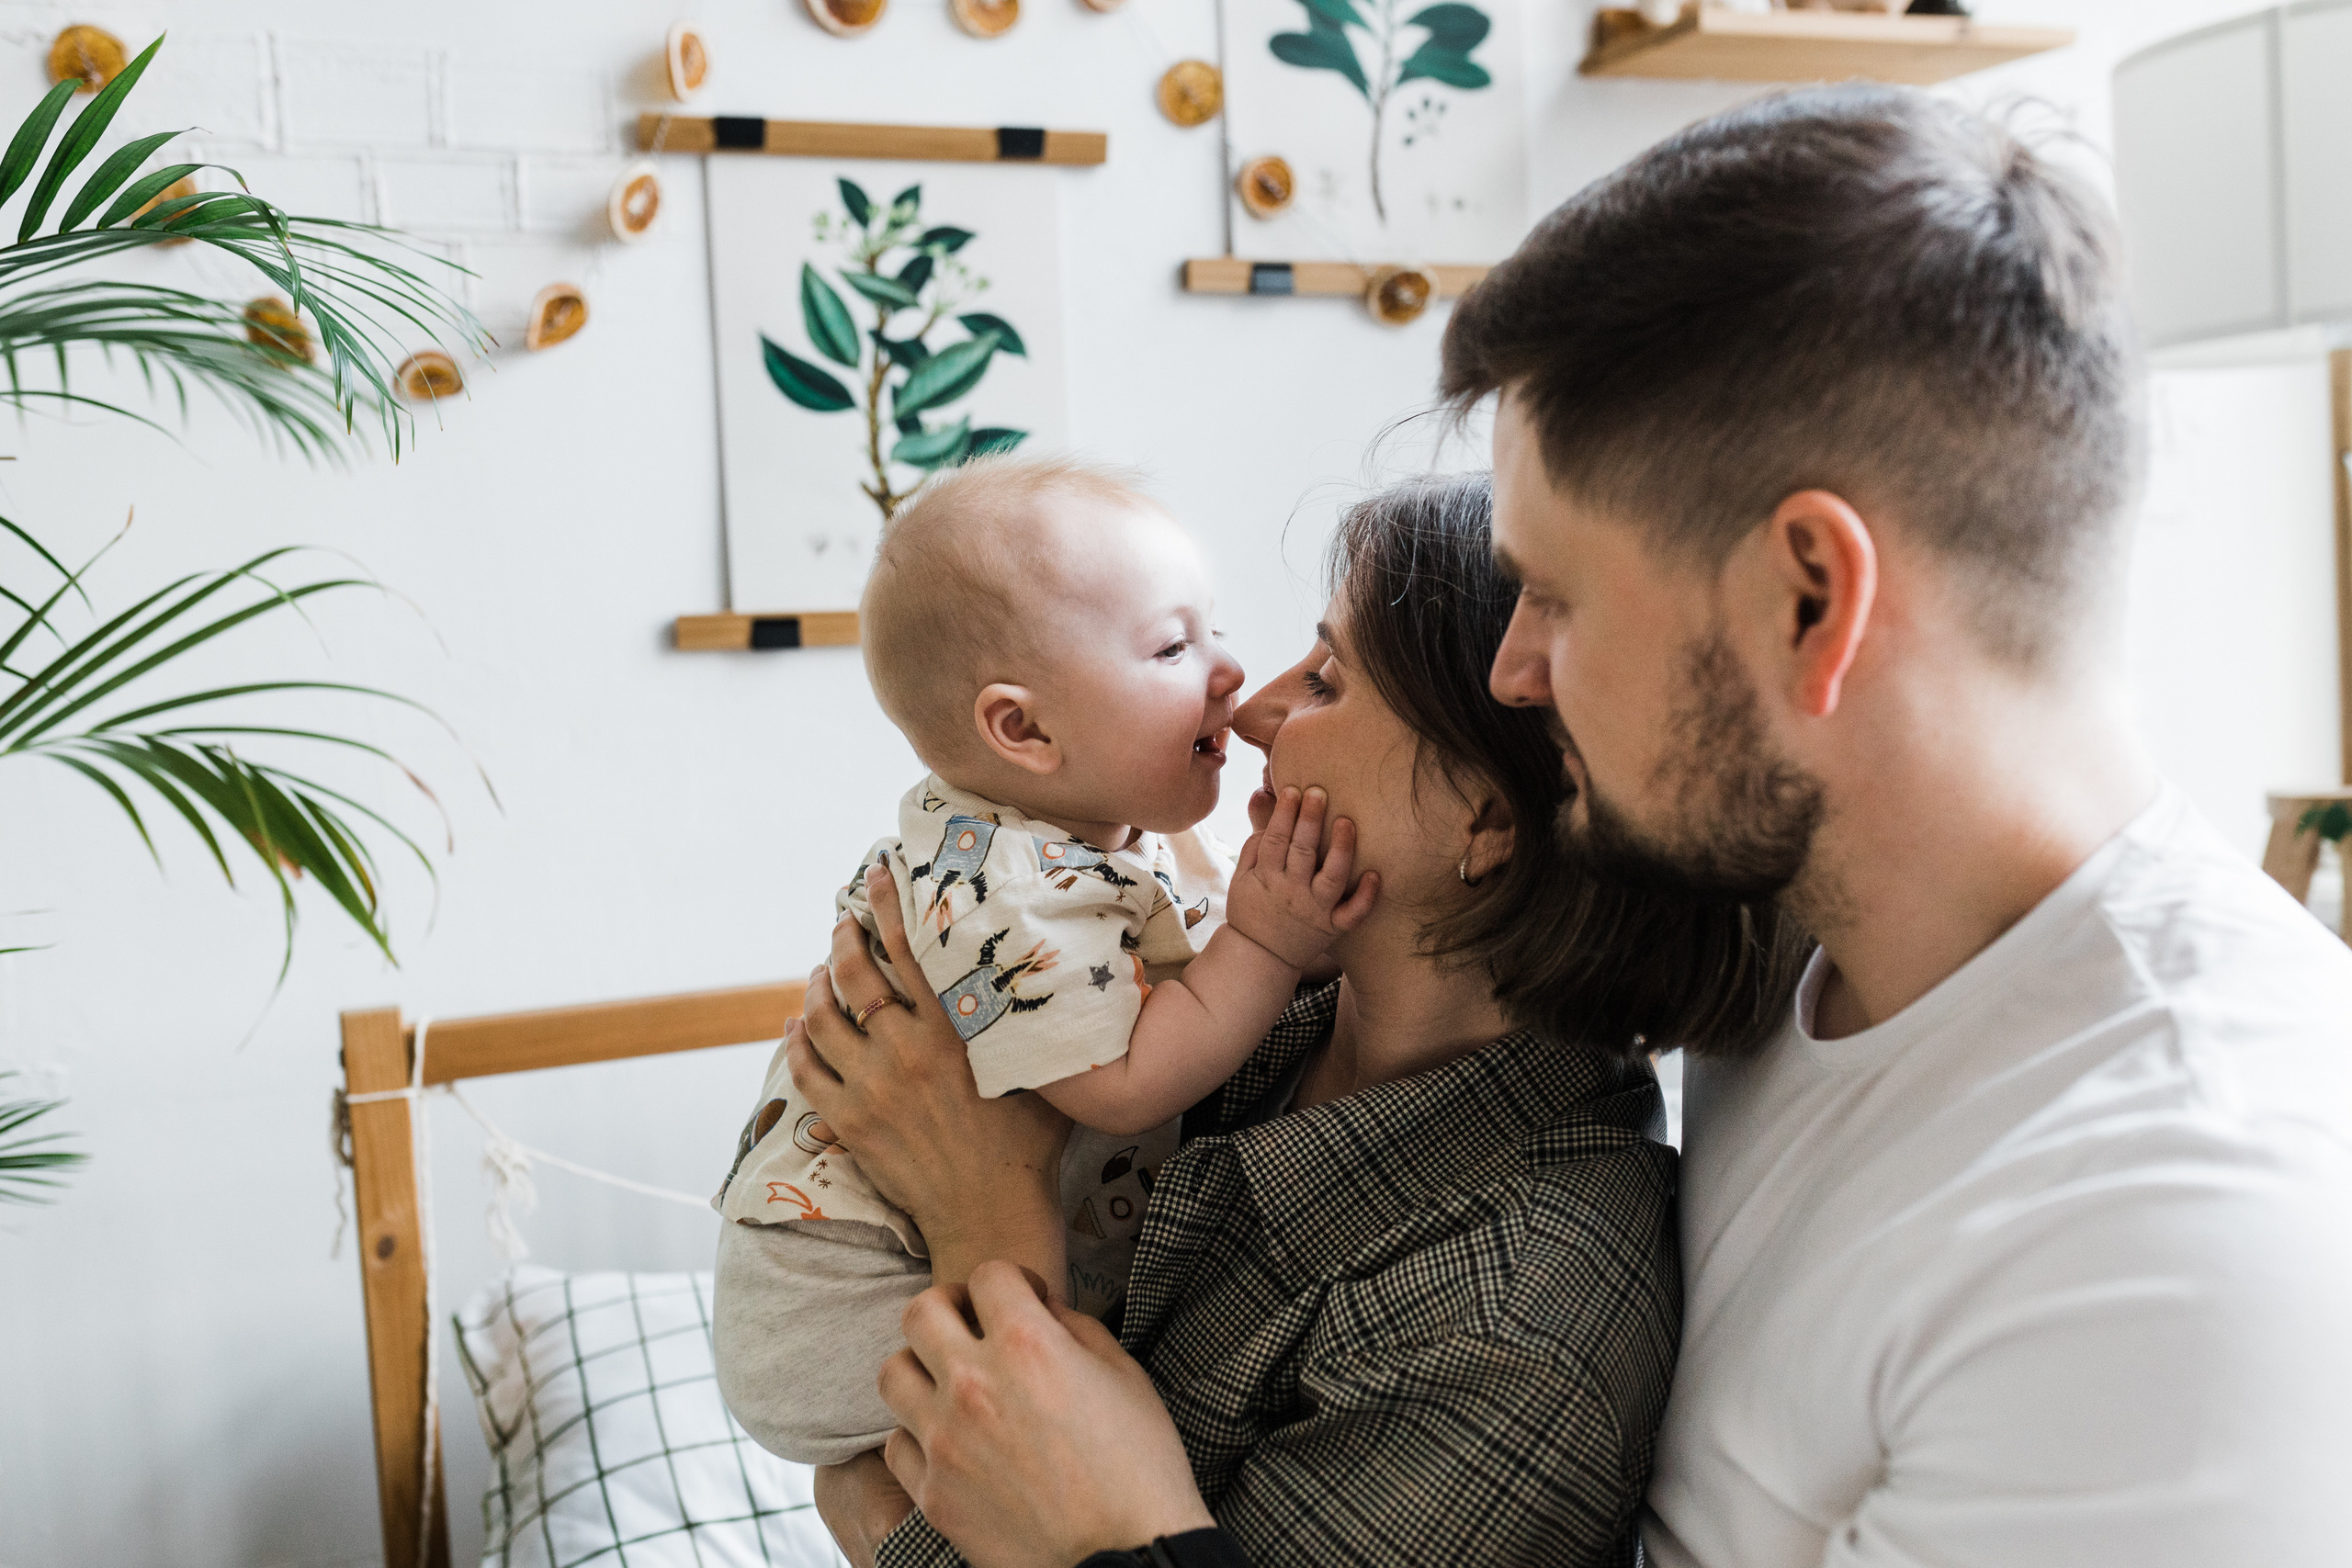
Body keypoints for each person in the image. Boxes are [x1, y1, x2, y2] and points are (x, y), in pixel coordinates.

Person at [830, 83, 2352, 1568]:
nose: (1516, 669)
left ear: (1809, 599)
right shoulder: (1792, 953)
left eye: (1557, 595)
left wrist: (1082, 1504)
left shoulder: (2173, 1246)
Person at [763, 473, 1804, 1565]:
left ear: (1486, 819)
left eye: (1324, 684)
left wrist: (984, 1205)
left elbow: (940, 1508)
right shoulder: (1256, 1004)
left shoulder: (1510, 1323)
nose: (1252, 712)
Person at [711, 454, 1373, 1464]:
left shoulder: (1107, 829)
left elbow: (1183, 948)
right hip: (833, 1300)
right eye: (1172, 647)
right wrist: (1269, 941)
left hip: (917, 1257)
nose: (1232, 674)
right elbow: (1125, 1084)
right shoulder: (1007, 887)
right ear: (1023, 729)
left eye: (1214, 630)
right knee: (1039, 1445)